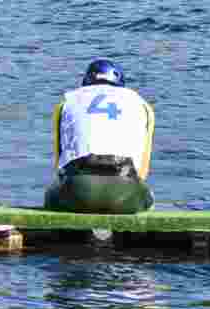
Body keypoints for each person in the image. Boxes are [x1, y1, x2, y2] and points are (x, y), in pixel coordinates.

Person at [44, 59, 155, 214]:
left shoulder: (66, 102)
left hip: (77, 191)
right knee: (148, 199)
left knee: (51, 195)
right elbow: (142, 172)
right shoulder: (142, 104)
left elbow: (59, 165)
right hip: (125, 191)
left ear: (86, 80)